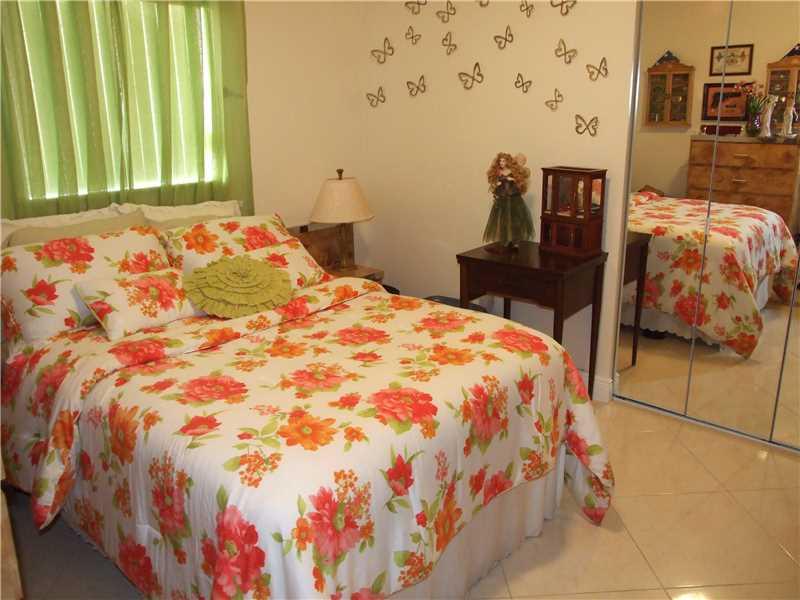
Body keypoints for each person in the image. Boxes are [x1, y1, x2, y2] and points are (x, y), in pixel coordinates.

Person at [483, 152, 534, 246]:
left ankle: (515, 241)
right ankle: (505, 240)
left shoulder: (512, 171)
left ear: (507, 161)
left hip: (514, 198)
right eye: (500, 161)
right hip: (502, 198)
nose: (501, 163)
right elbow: (493, 183)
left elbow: (522, 179)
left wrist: (513, 179)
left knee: (515, 220)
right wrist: (496, 184)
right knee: (503, 221)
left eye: (503, 161)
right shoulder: (498, 172)